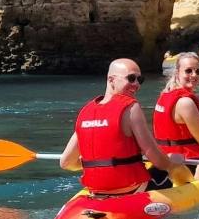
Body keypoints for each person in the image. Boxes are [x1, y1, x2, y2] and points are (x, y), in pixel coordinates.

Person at [62, 58, 187, 197]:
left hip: (95, 192)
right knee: (173, 167)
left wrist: (99, 165)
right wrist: (173, 164)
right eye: (131, 78)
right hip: (133, 190)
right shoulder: (131, 107)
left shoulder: (86, 112)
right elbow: (153, 154)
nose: (136, 84)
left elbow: (66, 162)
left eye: (140, 80)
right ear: (111, 80)